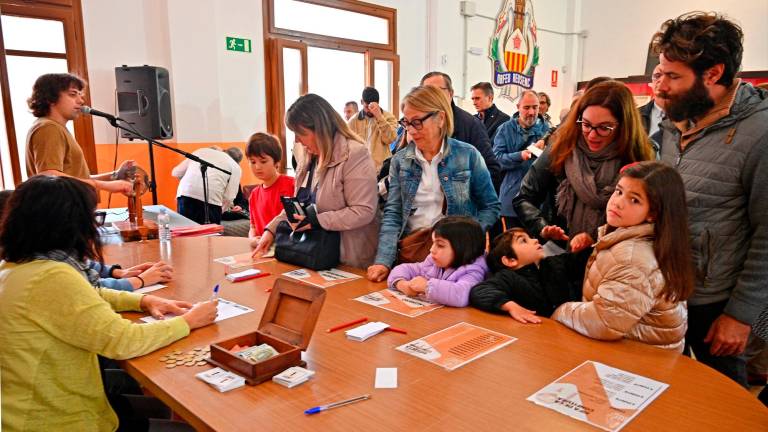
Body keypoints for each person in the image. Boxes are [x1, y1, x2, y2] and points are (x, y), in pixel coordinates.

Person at [0, 175, 218, 431]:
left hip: (31, 411)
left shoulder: (18, 265)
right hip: (60, 421)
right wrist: (188, 321)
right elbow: (123, 341)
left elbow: (88, 294)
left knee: (157, 407)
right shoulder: (52, 276)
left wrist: (144, 301)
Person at [652, 12, 768, 386]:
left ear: (713, 74)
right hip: (668, 290)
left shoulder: (760, 133)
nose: (660, 87)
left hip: (718, 304)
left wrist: (740, 315)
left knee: (723, 401)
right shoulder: (676, 121)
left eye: (673, 77)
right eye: (659, 73)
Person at [552, 161, 694, 351]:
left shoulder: (634, 260)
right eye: (619, 191)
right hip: (633, 353)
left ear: (653, 213)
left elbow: (603, 322)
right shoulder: (637, 238)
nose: (617, 202)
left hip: (638, 363)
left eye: (634, 199)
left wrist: (560, 311)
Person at [366, 85, 500, 282]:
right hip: (413, 255)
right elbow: (393, 214)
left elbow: (490, 206)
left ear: (441, 118)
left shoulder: (468, 155)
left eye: (418, 122)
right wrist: (383, 261)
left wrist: (466, 238)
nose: (411, 130)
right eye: (407, 122)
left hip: (458, 262)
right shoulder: (400, 161)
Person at [512, 80, 654, 249]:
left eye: (604, 128)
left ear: (624, 125)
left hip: (615, 255)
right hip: (560, 251)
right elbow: (523, 197)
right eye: (586, 125)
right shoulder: (561, 148)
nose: (592, 135)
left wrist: (601, 236)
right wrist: (543, 228)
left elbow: (646, 221)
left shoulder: (639, 159)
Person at [253, 94, 380, 268]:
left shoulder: (355, 154)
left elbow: (363, 210)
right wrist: (271, 230)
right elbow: (299, 206)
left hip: (347, 258)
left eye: (300, 133)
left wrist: (317, 220)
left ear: (320, 129)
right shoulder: (308, 156)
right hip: (314, 254)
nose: (297, 140)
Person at [25, 73, 132, 195]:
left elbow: (75, 178)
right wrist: (105, 186)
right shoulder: (49, 128)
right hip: (60, 211)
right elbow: (49, 176)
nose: (81, 100)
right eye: (73, 94)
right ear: (50, 98)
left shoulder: (55, 127)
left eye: (80, 95)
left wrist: (114, 176)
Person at [469, 228, 591, 323]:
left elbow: (590, 260)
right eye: (524, 240)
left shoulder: (555, 263)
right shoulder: (508, 277)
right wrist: (510, 306)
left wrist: (588, 243)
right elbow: (479, 291)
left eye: (531, 237)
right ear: (510, 260)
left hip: (570, 327)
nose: (535, 240)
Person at [421, 71, 503, 189]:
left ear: (450, 93)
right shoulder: (415, 123)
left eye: (438, 91)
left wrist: (463, 193)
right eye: (427, 92)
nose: (433, 96)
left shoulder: (471, 125)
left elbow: (491, 170)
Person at [387, 216, 487, 307]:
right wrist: (401, 284)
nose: (432, 249)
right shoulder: (433, 261)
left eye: (440, 245)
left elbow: (461, 295)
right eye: (433, 243)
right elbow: (404, 268)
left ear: (463, 248)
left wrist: (426, 286)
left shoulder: (473, 270)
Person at [493, 90, 550, 229]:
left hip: (539, 203)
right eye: (526, 107)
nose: (531, 112)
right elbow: (496, 159)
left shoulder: (547, 132)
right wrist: (520, 156)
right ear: (518, 107)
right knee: (514, 245)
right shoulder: (505, 129)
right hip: (511, 199)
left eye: (535, 107)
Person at [245, 132, 295, 248]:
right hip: (264, 251)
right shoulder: (254, 195)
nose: (257, 167)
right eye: (253, 162)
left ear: (277, 163)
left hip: (289, 249)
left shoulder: (292, 184)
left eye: (263, 161)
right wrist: (252, 239)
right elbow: (252, 227)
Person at [172, 146, 243, 224]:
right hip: (212, 200)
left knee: (186, 232)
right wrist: (221, 211)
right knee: (211, 234)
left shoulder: (202, 151)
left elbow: (176, 173)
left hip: (186, 194)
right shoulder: (236, 167)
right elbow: (229, 197)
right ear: (239, 162)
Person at [347, 86, 398, 171]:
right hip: (360, 169)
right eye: (367, 107)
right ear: (361, 102)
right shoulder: (353, 121)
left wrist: (379, 116)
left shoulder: (389, 117)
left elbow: (390, 139)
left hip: (382, 170)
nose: (370, 110)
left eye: (373, 106)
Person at [638, 64, 666, 155]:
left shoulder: (689, 118)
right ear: (651, 83)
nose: (662, 80)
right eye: (657, 76)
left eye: (671, 76)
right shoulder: (634, 115)